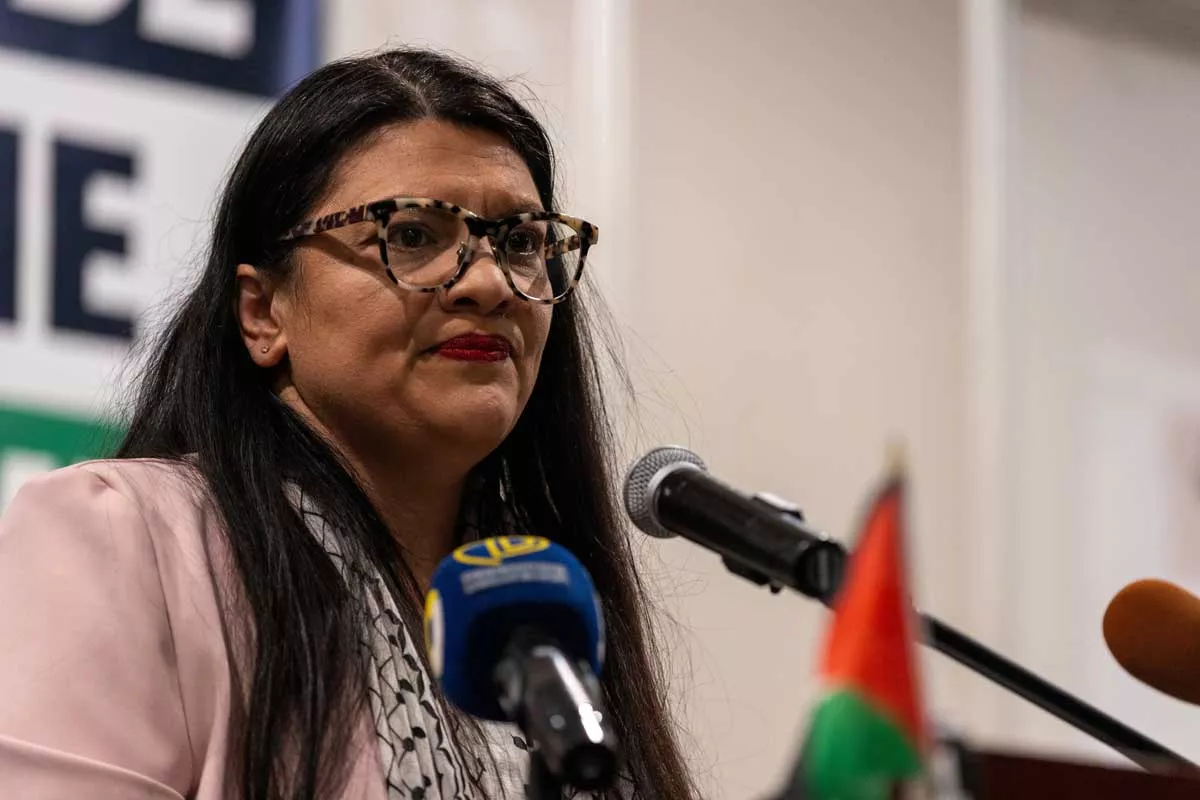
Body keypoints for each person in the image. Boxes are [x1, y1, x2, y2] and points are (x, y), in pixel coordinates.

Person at [0, 48, 694, 800]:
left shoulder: (544, 619)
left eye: (523, 242)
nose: (492, 283)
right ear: (265, 312)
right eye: (414, 235)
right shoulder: (125, 539)